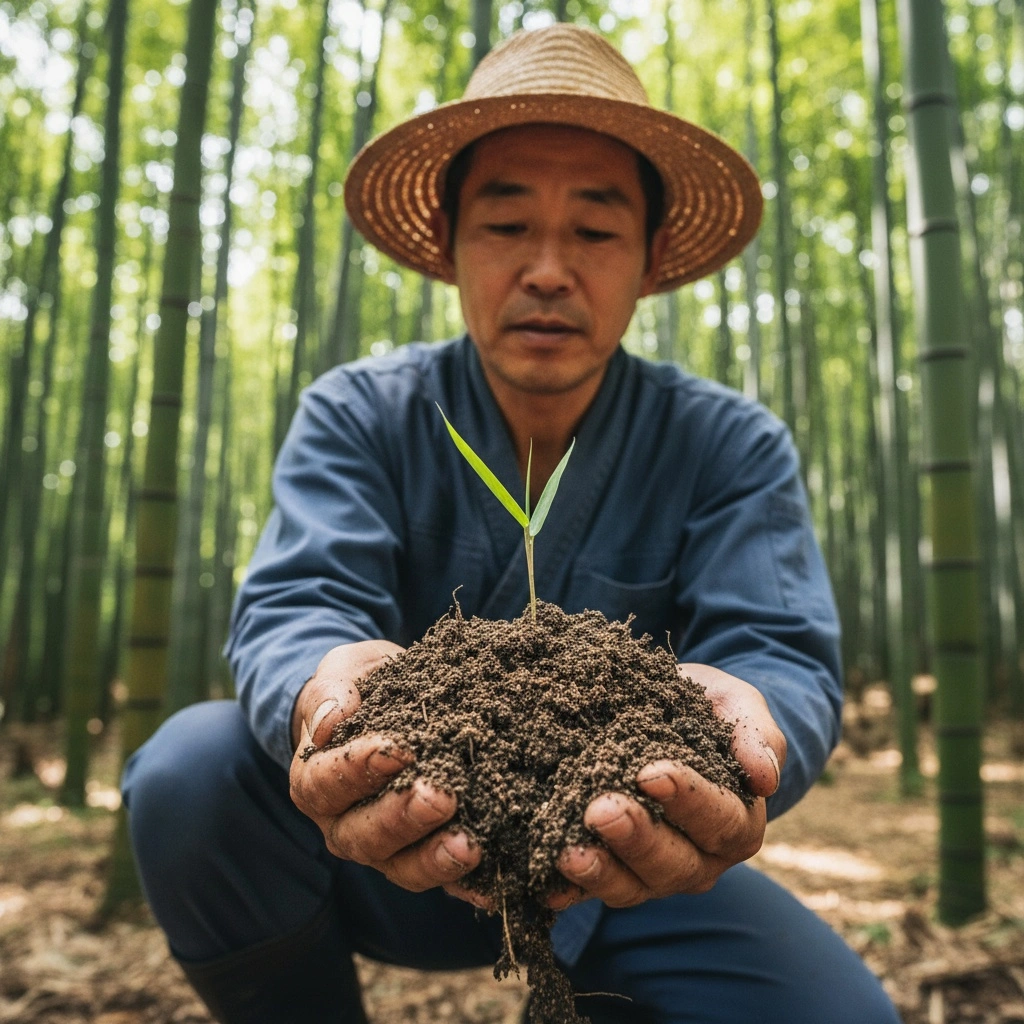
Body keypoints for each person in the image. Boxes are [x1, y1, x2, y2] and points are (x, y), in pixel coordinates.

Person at [122, 24, 902, 1024]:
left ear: (652, 255)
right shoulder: (362, 412)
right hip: (382, 832)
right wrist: (326, 691)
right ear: (448, 248)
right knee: (191, 772)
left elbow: (777, 649)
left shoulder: (723, 442)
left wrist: (746, 722)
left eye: (593, 227)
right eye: (503, 225)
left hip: (627, 856)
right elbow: (299, 603)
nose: (546, 269)